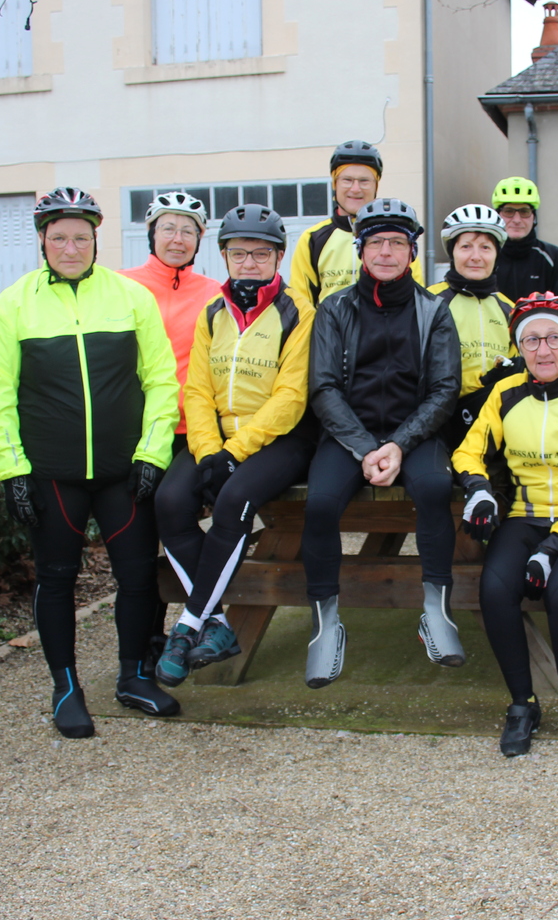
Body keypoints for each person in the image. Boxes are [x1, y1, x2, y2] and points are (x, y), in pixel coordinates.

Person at [0, 187, 180, 737]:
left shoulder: (130, 297)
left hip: (123, 470)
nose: (71, 248)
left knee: (138, 577)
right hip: (51, 473)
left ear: (96, 240)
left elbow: (161, 380)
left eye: (81, 238)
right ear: (42, 240)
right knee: (56, 579)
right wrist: (12, 470)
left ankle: (134, 676)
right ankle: (65, 687)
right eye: (60, 238)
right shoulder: (11, 306)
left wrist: (152, 452)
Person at [152, 205, 315, 686]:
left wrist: (234, 454)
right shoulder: (213, 312)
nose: (249, 263)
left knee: (233, 500)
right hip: (217, 438)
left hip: (280, 438)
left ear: (279, 257)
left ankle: (188, 625)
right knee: (169, 501)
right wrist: (209, 453)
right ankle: (218, 623)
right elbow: (197, 390)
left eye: (261, 254)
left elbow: (290, 397)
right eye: (239, 253)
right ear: (223, 256)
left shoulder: (299, 312)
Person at [454, 292, 558, 758]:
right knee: (494, 590)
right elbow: (467, 451)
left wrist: (551, 548)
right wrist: (479, 488)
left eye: (553, 338)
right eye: (531, 340)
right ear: (519, 346)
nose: (543, 350)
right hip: (526, 516)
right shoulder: (504, 394)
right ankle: (522, 704)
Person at [303, 198, 463, 687]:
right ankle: (326, 624)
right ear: (361, 250)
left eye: (397, 243)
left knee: (434, 489)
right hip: (349, 433)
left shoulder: (434, 310)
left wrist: (397, 445)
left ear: (412, 252)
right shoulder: (334, 308)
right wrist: (365, 447)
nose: (386, 252)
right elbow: (323, 388)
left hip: (415, 432)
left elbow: (445, 388)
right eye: (376, 242)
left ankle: (436, 611)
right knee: (319, 505)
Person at [121, 191, 222, 457]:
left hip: (192, 427)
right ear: (152, 234)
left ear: (198, 240)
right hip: (132, 424)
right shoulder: (121, 285)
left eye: (188, 232)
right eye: (168, 229)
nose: (178, 239)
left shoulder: (215, 293)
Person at [427, 203, 517, 449]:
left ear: (496, 254)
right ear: (452, 252)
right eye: (466, 246)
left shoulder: (509, 309)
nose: (476, 256)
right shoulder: (429, 301)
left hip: (496, 421)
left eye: (485, 247)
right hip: (442, 422)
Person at [291, 140, 423, 306]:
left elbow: (418, 299)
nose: (355, 189)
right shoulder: (312, 239)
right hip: (331, 323)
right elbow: (301, 306)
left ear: (376, 185)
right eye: (347, 180)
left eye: (364, 181)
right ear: (335, 184)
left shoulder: (398, 235)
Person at [490, 177, 558, 301]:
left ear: (534, 217)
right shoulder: (486, 255)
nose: (517, 220)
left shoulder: (552, 256)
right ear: (498, 215)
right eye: (508, 211)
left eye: (524, 212)